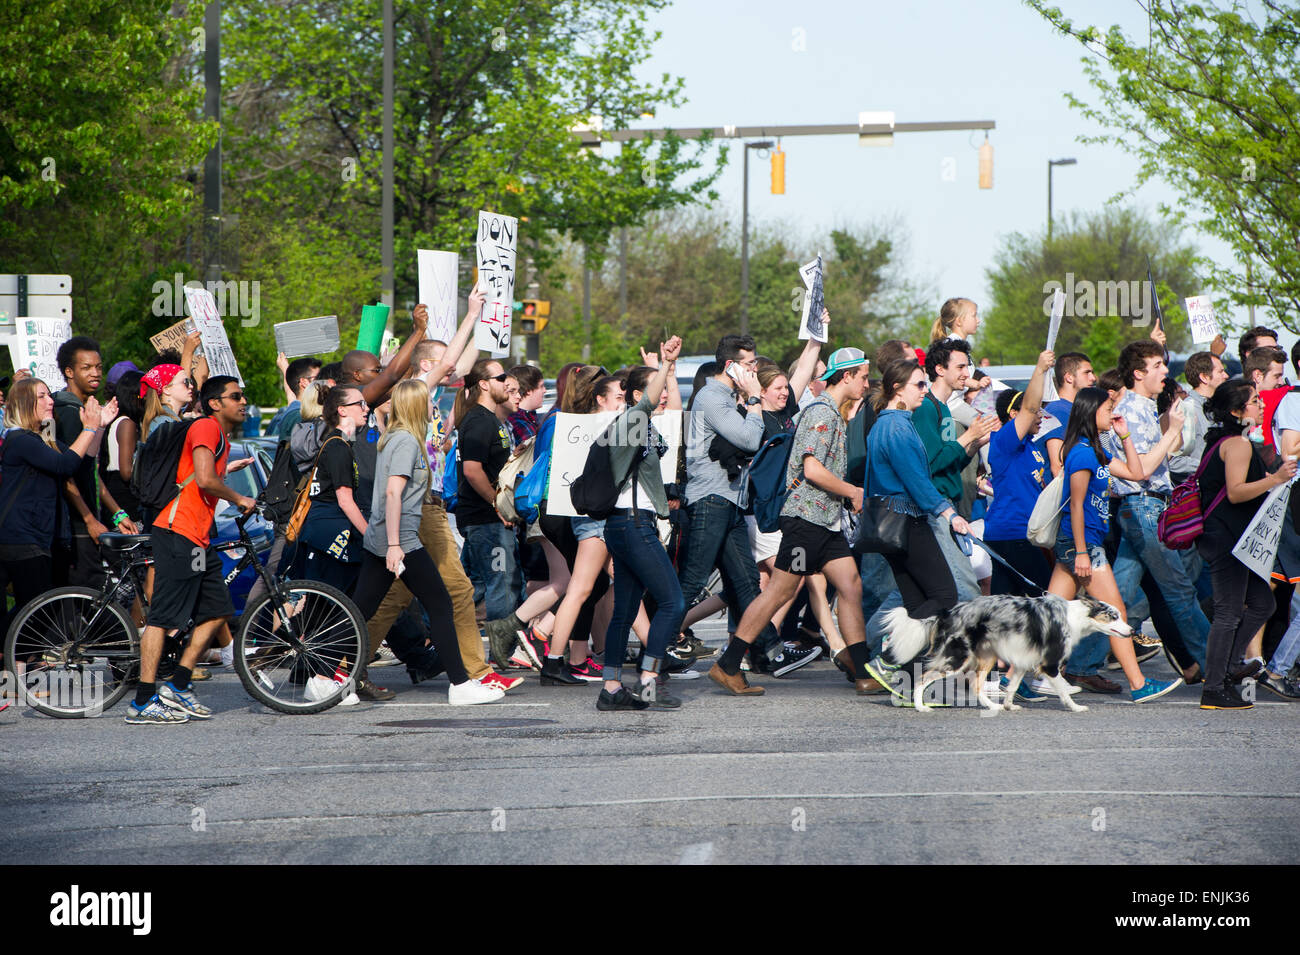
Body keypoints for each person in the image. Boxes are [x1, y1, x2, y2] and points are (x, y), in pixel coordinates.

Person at [712, 346, 874, 696]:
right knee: (779, 592)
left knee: (850, 585)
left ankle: (862, 671)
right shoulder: (823, 413)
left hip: (824, 521)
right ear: (846, 376)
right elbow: (812, 468)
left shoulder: (832, 411)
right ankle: (728, 664)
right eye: (863, 377)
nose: (866, 384)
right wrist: (853, 492)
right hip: (807, 521)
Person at [348, 378, 503, 706]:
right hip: (399, 540)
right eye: (428, 403)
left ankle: (331, 677)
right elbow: (393, 492)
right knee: (441, 603)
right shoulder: (405, 441)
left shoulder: (397, 437)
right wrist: (394, 545)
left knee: (361, 610)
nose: (434, 408)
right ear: (417, 406)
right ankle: (460, 684)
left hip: (389, 538)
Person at [678, 334, 816, 676]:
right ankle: (653, 645)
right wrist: (754, 400)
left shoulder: (727, 396)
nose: (756, 370)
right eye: (750, 365)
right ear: (731, 366)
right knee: (692, 581)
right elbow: (751, 440)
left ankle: (768, 651)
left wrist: (814, 342)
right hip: (711, 500)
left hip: (730, 503)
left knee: (744, 584)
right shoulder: (713, 397)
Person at [128, 376, 257, 724]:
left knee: (217, 608)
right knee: (164, 616)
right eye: (236, 396)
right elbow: (203, 479)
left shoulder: (221, 437)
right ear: (215, 402)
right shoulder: (206, 428)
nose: (243, 401)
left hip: (198, 537)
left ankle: (179, 683)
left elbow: (201, 475)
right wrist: (240, 497)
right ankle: (142, 699)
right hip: (177, 532)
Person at [1049, 386, 1183, 703]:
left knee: (1049, 613)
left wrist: (1125, 436)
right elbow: (1077, 505)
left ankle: (1014, 678)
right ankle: (1138, 684)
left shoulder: (1095, 452)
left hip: (1079, 543)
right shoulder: (1081, 453)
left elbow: (1138, 473)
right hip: (1082, 544)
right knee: (1116, 612)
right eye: (1108, 410)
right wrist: (1082, 552)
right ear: (1091, 412)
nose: (1113, 414)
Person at [859, 359, 972, 695]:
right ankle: (888, 658)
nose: (925, 390)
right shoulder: (896, 427)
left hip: (891, 524)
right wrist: (949, 514)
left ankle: (909, 689)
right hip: (907, 522)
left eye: (925, 384)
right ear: (898, 389)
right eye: (918, 385)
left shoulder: (887, 423)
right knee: (944, 596)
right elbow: (917, 481)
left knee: (917, 604)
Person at [1107, 340, 1210, 684]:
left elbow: (1170, 451)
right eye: (1157, 366)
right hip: (1143, 504)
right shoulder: (1132, 410)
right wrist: (1174, 431)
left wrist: (1170, 423)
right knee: (1180, 590)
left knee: (1118, 596)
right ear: (1138, 374)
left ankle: (1077, 663)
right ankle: (1216, 663)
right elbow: (1145, 468)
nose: (1166, 371)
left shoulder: (1145, 407)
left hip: (1144, 506)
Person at [597, 336, 687, 711]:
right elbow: (649, 401)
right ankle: (649, 675)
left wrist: (670, 374)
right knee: (674, 602)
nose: (663, 395)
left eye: (665, 388)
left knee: (624, 611)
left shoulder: (642, 426)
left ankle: (612, 688)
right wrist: (665, 364)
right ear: (636, 395)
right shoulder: (633, 420)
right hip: (633, 526)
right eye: (658, 389)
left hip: (627, 525)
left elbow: (672, 413)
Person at [1195, 381, 1296, 709]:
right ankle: (1214, 686)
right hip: (1227, 539)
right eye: (1255, 401)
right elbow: (1237, 491)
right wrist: (1276, 478)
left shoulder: (1228, 440)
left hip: (1234, 538)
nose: (1262, 405)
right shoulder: (1236, 444)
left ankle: (1230, 666)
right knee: (1228, 611)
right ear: (1238, 411)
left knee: (1262, 603)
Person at [0, 378, 116, 637]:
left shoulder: (42, 438)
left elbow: (80, 462)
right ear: (24, 403)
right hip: (20, 536)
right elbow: (64, 465)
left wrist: (97, 428)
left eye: (48, 395)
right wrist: (89, 428)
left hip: (40, 536)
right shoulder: (20, 440)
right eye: (42, 397)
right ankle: (9, 654)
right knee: (34, 609)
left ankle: (16, 664)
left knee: (41, 608)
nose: (50, 401)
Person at [52, 336, 139, 589]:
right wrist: (89, 520)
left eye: (99, 367)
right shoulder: (67, 412)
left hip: (91, 520)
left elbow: (90, 471)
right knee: (88, 602)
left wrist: (117, 512)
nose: (95, 373)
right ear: (69, 371)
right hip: (75, 525)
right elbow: (65, 473)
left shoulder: (86, 409)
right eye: (86, 367)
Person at [982, 350, 1056, 595]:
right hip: (1012, 532)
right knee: (1045, 600)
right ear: (1014, 415)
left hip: (1021, 533)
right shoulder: (1005, 440)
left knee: (1006, 606)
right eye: (1034, 412)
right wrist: (1040, 370)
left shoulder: (1031, 445)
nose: (1040, 415)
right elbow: (1031, 406)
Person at [292, 385, 369, 592]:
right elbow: (345, 501)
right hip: (328, 534)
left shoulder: (342, 443)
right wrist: (370, 535)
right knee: (323, 603)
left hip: (326, 530)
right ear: (342, 410)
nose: (366, 408)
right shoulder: (337, 447)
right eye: (360, 404)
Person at [1169, 350, 1230, 483]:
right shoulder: (1187, 409)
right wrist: (1211, 466)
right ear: (1204, 377)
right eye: (1220, 372)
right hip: (1199, 495)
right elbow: (1175, 461)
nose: (1226, 375)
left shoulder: (1219, 409)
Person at [100, 370, 145, 526]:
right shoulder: (127, 424)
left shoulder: (117, 421)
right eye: (143, 397)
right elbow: (127, 472)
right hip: (124, 496)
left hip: (115, 491)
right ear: (133, 398)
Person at [1042, 352, 1098, 475]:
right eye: (1086, 373)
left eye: (1092, 373)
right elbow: (1057, 466)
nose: (1093, 378)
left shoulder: (1072, 408)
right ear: (1069, 377)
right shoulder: (1058, 410)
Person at [266, 355, 322, 437]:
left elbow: (292, 398)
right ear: (304, 382)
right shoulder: (298, 416)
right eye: (319, 378)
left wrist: (285, 368)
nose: (323, 382)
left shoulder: (297, 411)